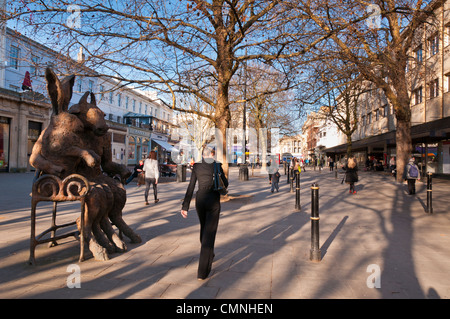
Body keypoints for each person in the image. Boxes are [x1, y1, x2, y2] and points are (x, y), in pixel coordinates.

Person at [180, 147, 228, 280]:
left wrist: (185, 206)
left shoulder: (196, 166)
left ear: (202, 155)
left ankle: (209, 254)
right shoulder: (216, 165)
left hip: (200, 200)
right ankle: (203, 271)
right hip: (213, 200)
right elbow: (226, 183)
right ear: (212, 154)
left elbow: (191, 186)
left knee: (204, 228)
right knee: (210, 233)